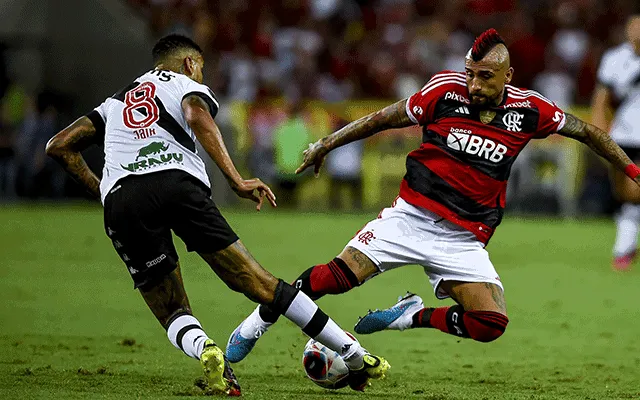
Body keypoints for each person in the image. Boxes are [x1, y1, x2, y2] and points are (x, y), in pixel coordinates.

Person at [226, 28, 640, 361]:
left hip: (463, 238)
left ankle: (411, 315)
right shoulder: (444, 92)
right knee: (333, 279)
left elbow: (587, 131)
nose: (474, 84)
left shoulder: (530, 110)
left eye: (485, 77)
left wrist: (632, 169)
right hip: (411, 217)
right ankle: (254, 325)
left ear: (508, 77)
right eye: (470, 73)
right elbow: (380, 119)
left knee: (490, 324)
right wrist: (326, 144)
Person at [45, 34, 389, 396]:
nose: (202, 75)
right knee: (259, 282)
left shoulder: (113, 102)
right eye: (202, 68)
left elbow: (60, 145)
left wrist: (104, 191)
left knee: (171, 309)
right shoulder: (184, 84)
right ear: (190, 64)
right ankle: (353, 353)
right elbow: (196, 114)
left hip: (123, 198)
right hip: (178, 185)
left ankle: (207, 351)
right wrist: (236, 179)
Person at [591, 15, 640, 270]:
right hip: (623, 135)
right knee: (623, 194)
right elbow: (601, 100)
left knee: (634, 193)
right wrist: (600, 135)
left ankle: (624, 248)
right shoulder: (614, 59)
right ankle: (628, 247)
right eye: (634, 26)